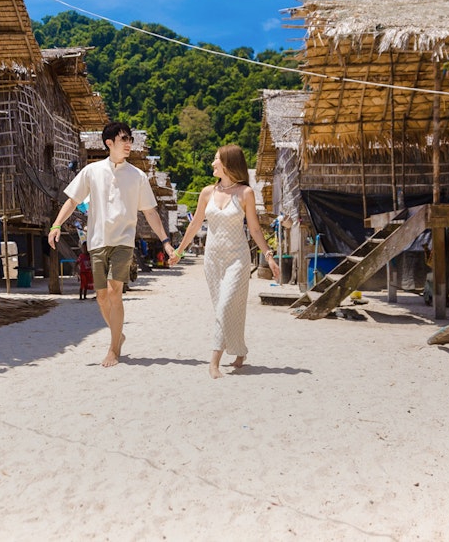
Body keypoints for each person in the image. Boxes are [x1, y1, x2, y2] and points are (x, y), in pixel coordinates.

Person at [48, 122, 174, 367]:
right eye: (124, 139)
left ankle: (113, 348)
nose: (129, 144)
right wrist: (56, 225)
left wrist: (166, 242)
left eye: (130, 139)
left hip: (123, 241)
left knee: (115, 291)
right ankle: (118, 334)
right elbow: (72, 201)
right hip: (97, 241)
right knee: (101, 297)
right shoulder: (92, 171)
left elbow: (150, 212)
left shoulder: (137, 176)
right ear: (109, 143)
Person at [169, 144, 280, 379]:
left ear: (228, 163)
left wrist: (269, 256)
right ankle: (240, 351)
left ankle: (214, 362)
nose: (212, 163)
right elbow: (195, 224)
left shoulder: (245, 193)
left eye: (216, 159)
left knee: (225, 306)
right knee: (227, 308)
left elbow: (255, 229)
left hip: (237, 259)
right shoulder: (207, 192)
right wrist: (179, 251)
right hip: (212, 260)